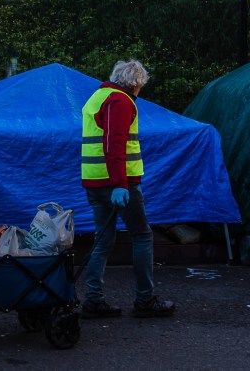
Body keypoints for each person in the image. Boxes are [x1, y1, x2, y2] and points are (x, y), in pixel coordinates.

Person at [81, 59, 175, 319]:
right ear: (136, 83)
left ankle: (93, 300)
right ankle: (145, 300)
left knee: (103, 241)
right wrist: (120, 185)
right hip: (119, 184)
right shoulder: (120, 101)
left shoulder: (98, 97)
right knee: (142, 236)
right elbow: (115, 144)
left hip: (95, 181)